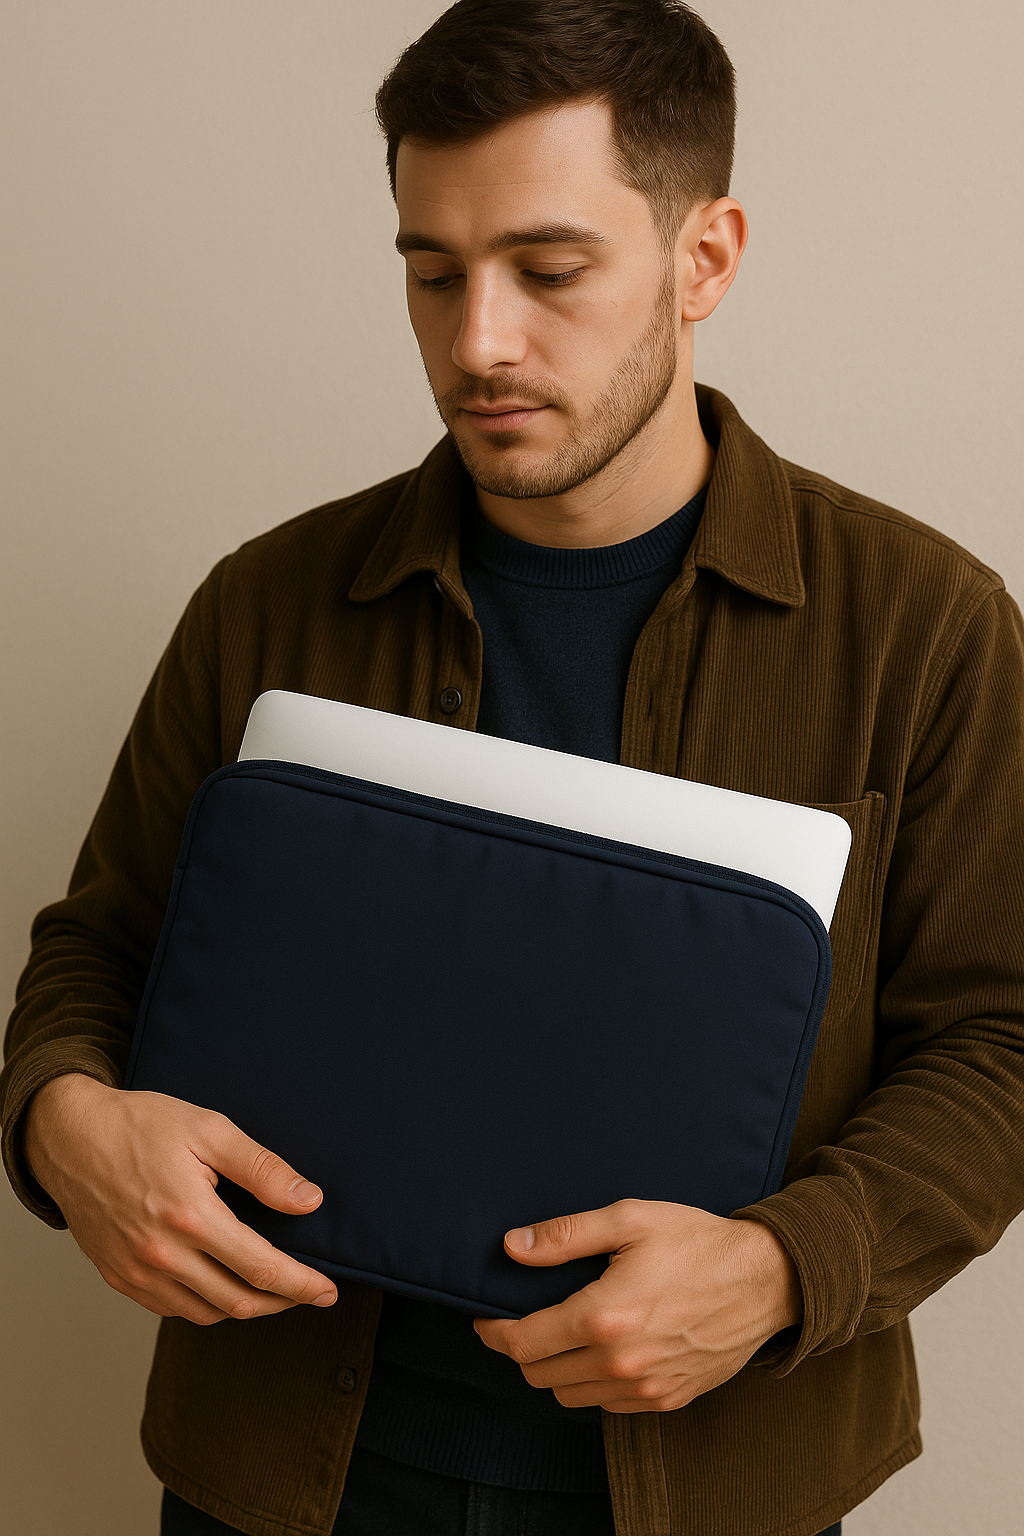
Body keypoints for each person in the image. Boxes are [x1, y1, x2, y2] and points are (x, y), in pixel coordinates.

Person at [3, 1, 1023, 1533]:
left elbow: (1002, 1042)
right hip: (275, 1478)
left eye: (549, 271)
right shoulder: (264, 602)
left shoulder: (927, 627)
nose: (478, 340)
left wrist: (783, 1267)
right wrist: (62, 1123)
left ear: (706, 259)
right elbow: (94, 954)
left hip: (719, 1484)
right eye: (431, 273)